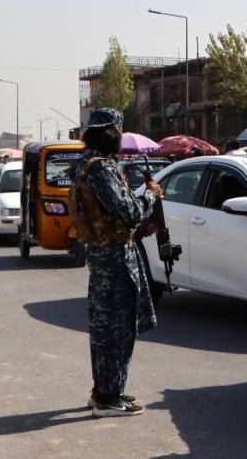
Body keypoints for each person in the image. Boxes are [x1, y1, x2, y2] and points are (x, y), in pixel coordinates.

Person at [71, 107, 162, 418]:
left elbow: (111, 211)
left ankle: (105, 391)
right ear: (111, 132)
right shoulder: (101, 169)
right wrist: (150, 196)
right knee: (117, 328)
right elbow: (129, 211)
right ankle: (109, 398)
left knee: (104, 326)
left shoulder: (87, 164)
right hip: (114, 256)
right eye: (119, 130)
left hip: (103, 251)